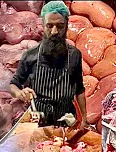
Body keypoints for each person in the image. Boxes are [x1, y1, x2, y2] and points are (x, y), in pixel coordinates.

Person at [9, 1, 88, 130]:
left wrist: (84, 118)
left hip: (66, 122)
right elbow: (14, 84)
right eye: (49, 26)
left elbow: (79, 89)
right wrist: (19, 93)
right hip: (38, 122)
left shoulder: (74, 55)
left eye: (60, 26)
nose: (55, 31)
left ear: (66, 26)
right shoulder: (30, 55)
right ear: (43, 26)